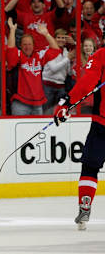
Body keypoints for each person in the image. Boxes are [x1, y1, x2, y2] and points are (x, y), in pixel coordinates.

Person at [54, 47, 105, 231]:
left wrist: (67, 103)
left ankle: (85, 206)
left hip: (102, 124)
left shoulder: (101, 54)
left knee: (90, 166)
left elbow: (86, 85)